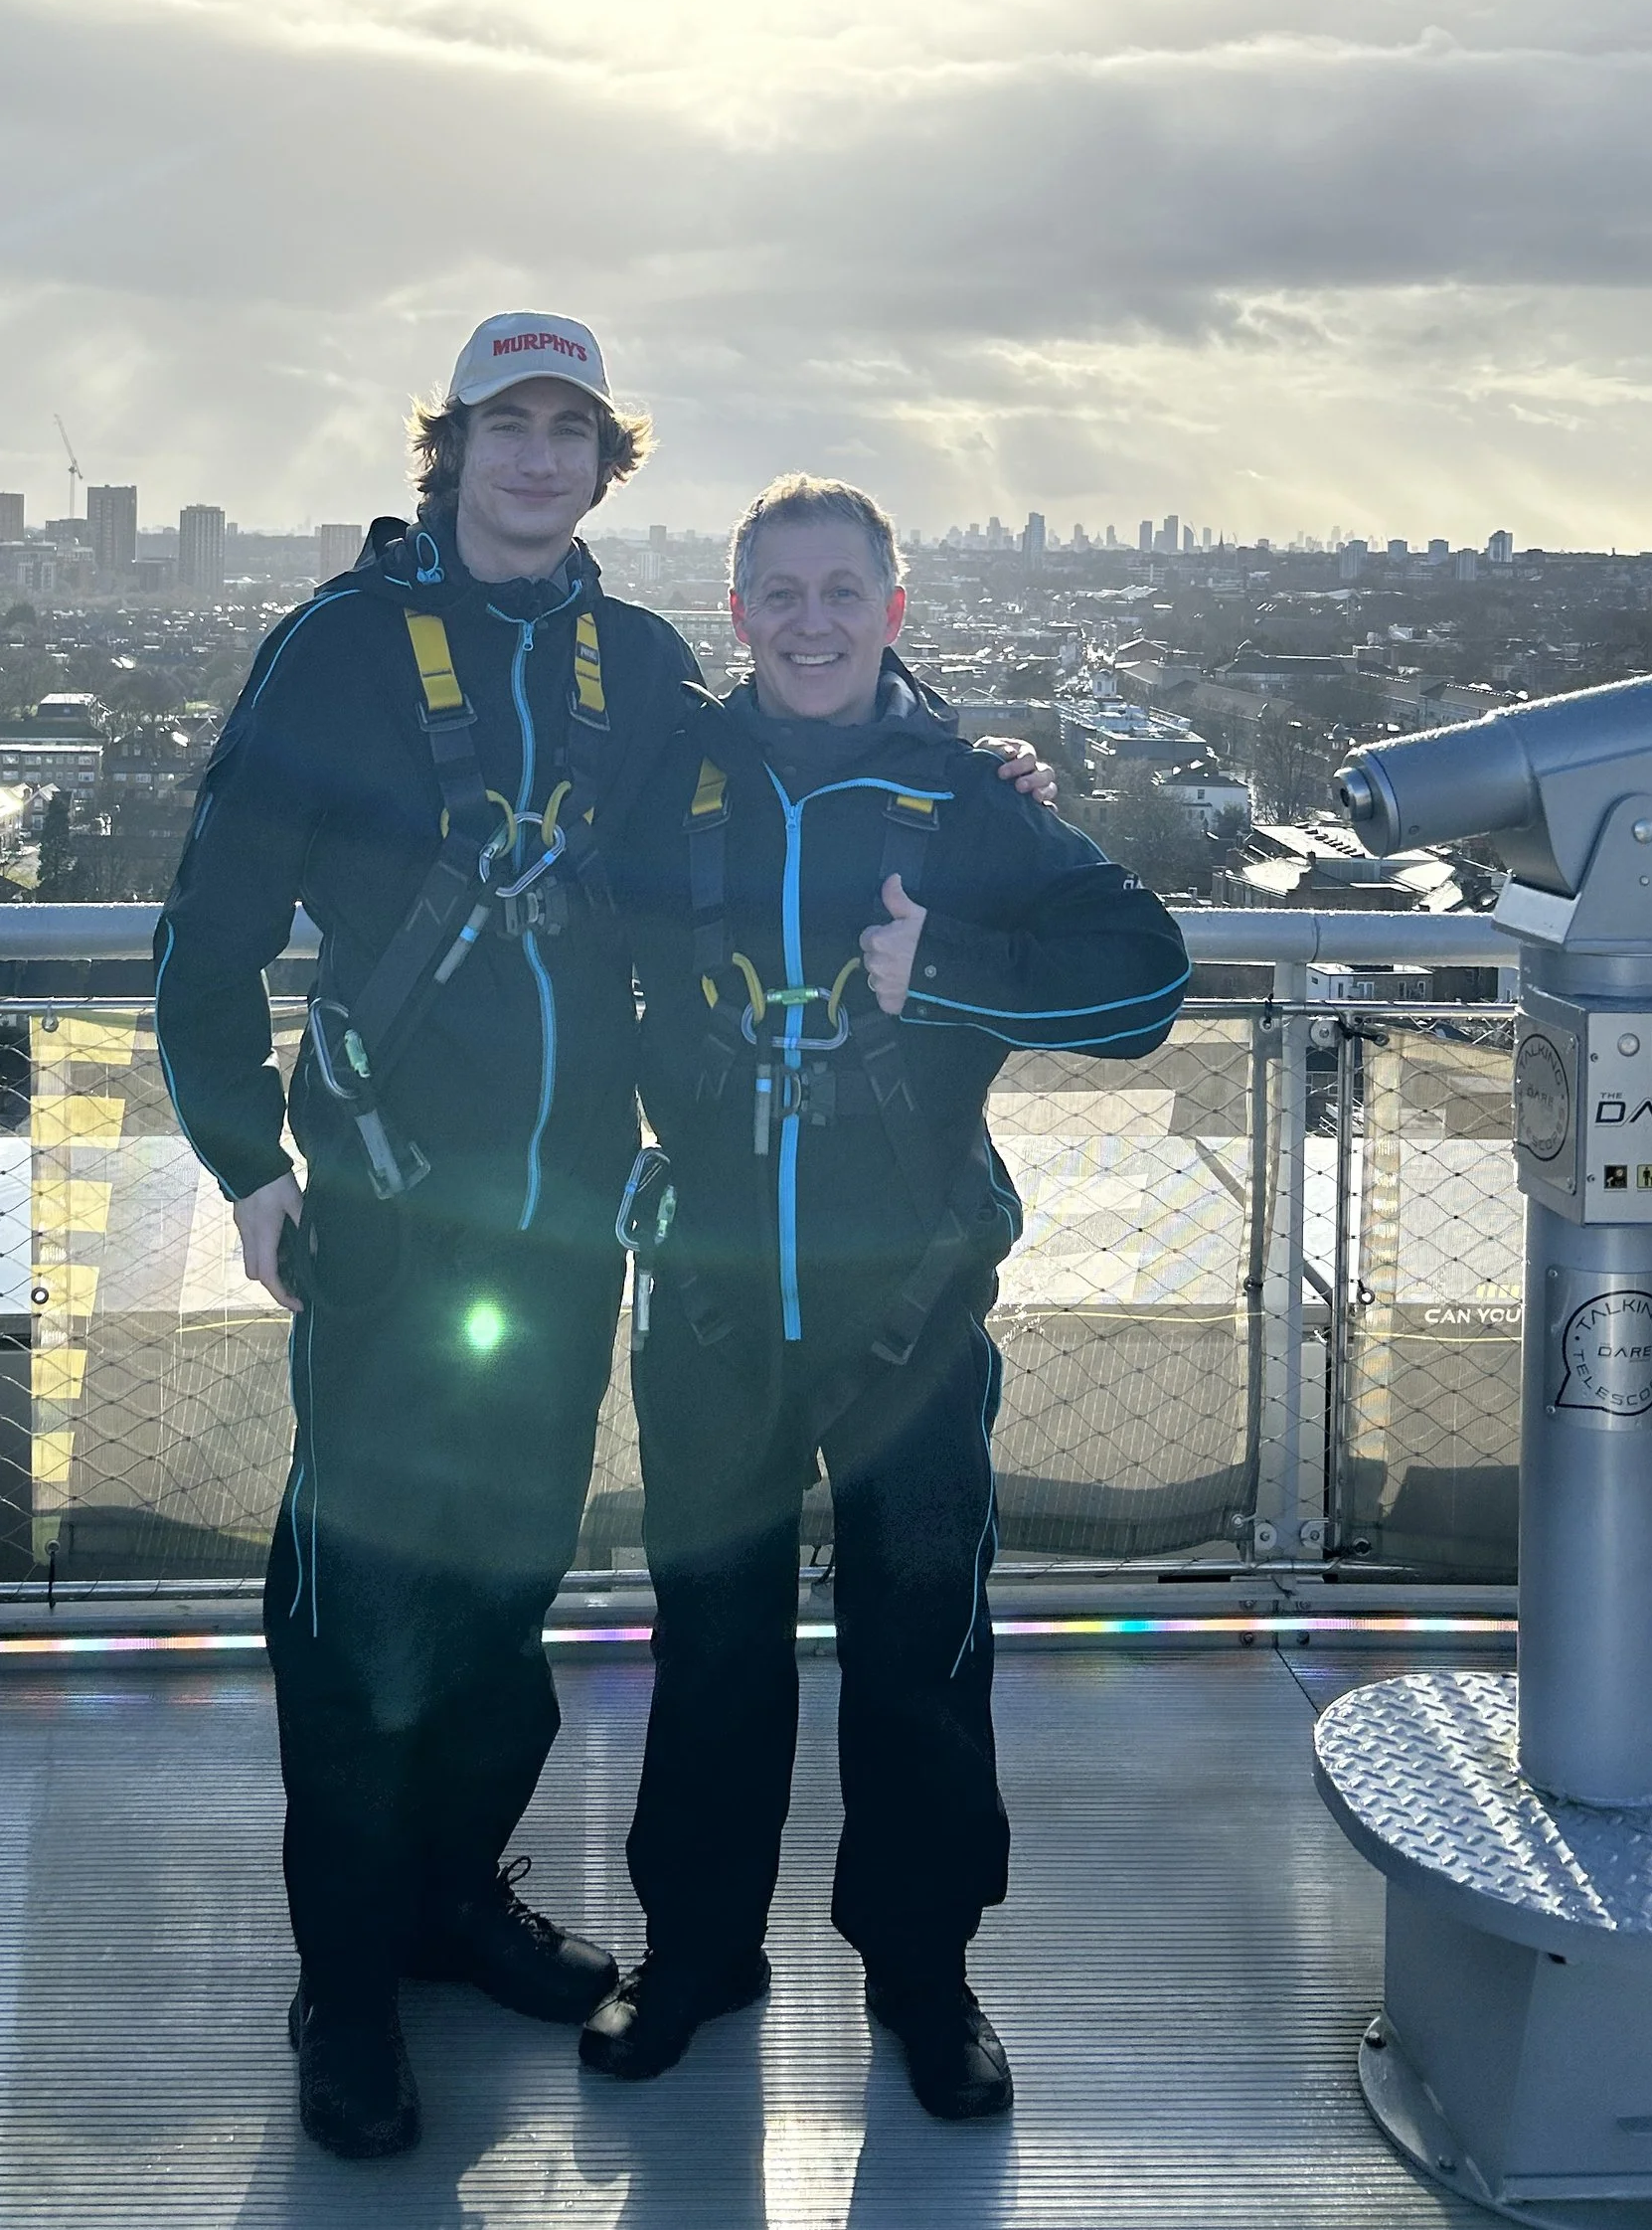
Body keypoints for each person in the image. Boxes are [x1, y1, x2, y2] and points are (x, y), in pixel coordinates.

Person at [152, 313, 699, 2157]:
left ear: (605, 460)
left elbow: (766, 822)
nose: (536, 458)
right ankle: (347, 1976)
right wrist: (247, 1158)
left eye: (569, 430)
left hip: (558, 1232)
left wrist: (973, 781)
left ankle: (452, 1900)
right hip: (384, 1224)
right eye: (503, 426)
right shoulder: (333, 655)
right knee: (363, 1613)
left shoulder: (642, 665)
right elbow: (211, 927)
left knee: (504, 1589)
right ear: (447, 447)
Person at [580, 475, 1191, 2120]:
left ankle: (924, 1977)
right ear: (736, 612)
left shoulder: (965, 794)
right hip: (711, 1295)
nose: (811, 620)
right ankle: (699, 1952)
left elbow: (1149, 973)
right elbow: (531, 896)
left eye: (842, 590)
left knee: (922, 1655)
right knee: (710, 1646)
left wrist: (962, 977)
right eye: (778, 591)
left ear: (893, 611)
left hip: (911, 1312)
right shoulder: (671, 780)